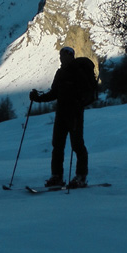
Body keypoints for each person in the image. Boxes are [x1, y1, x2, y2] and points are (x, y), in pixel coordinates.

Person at [29, 46, 97, 189]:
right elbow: (54, 93)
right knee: (57, 146)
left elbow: (88, 93)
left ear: (70, 56)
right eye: (60, 55)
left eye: (63, 55)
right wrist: (38, 98)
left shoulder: (78, 72)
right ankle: (57, 176)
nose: (61, 58)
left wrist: (79, 102)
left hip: (74, 114)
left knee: (77, 145)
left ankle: (80, 176)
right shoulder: (60, 73)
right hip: (61, 114)